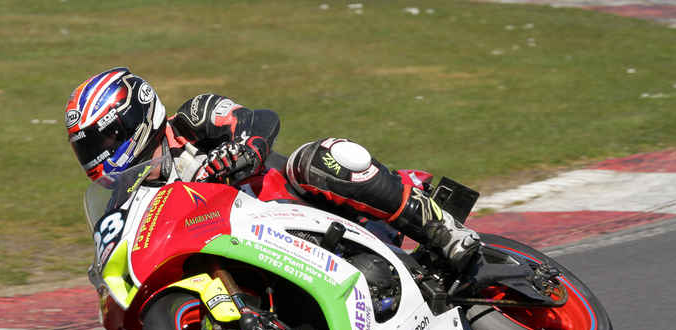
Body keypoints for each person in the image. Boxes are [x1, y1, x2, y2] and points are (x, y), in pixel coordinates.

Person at [65, 67, 480, 271]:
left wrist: (246, 148)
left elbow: (258, 119)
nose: (99, 154)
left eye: (104, 140)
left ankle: (441, 227)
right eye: (88, 149)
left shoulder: (192, 119)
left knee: (321, 158)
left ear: (134, 116)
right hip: (260, 260)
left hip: (310, 213)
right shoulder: (133, 201)